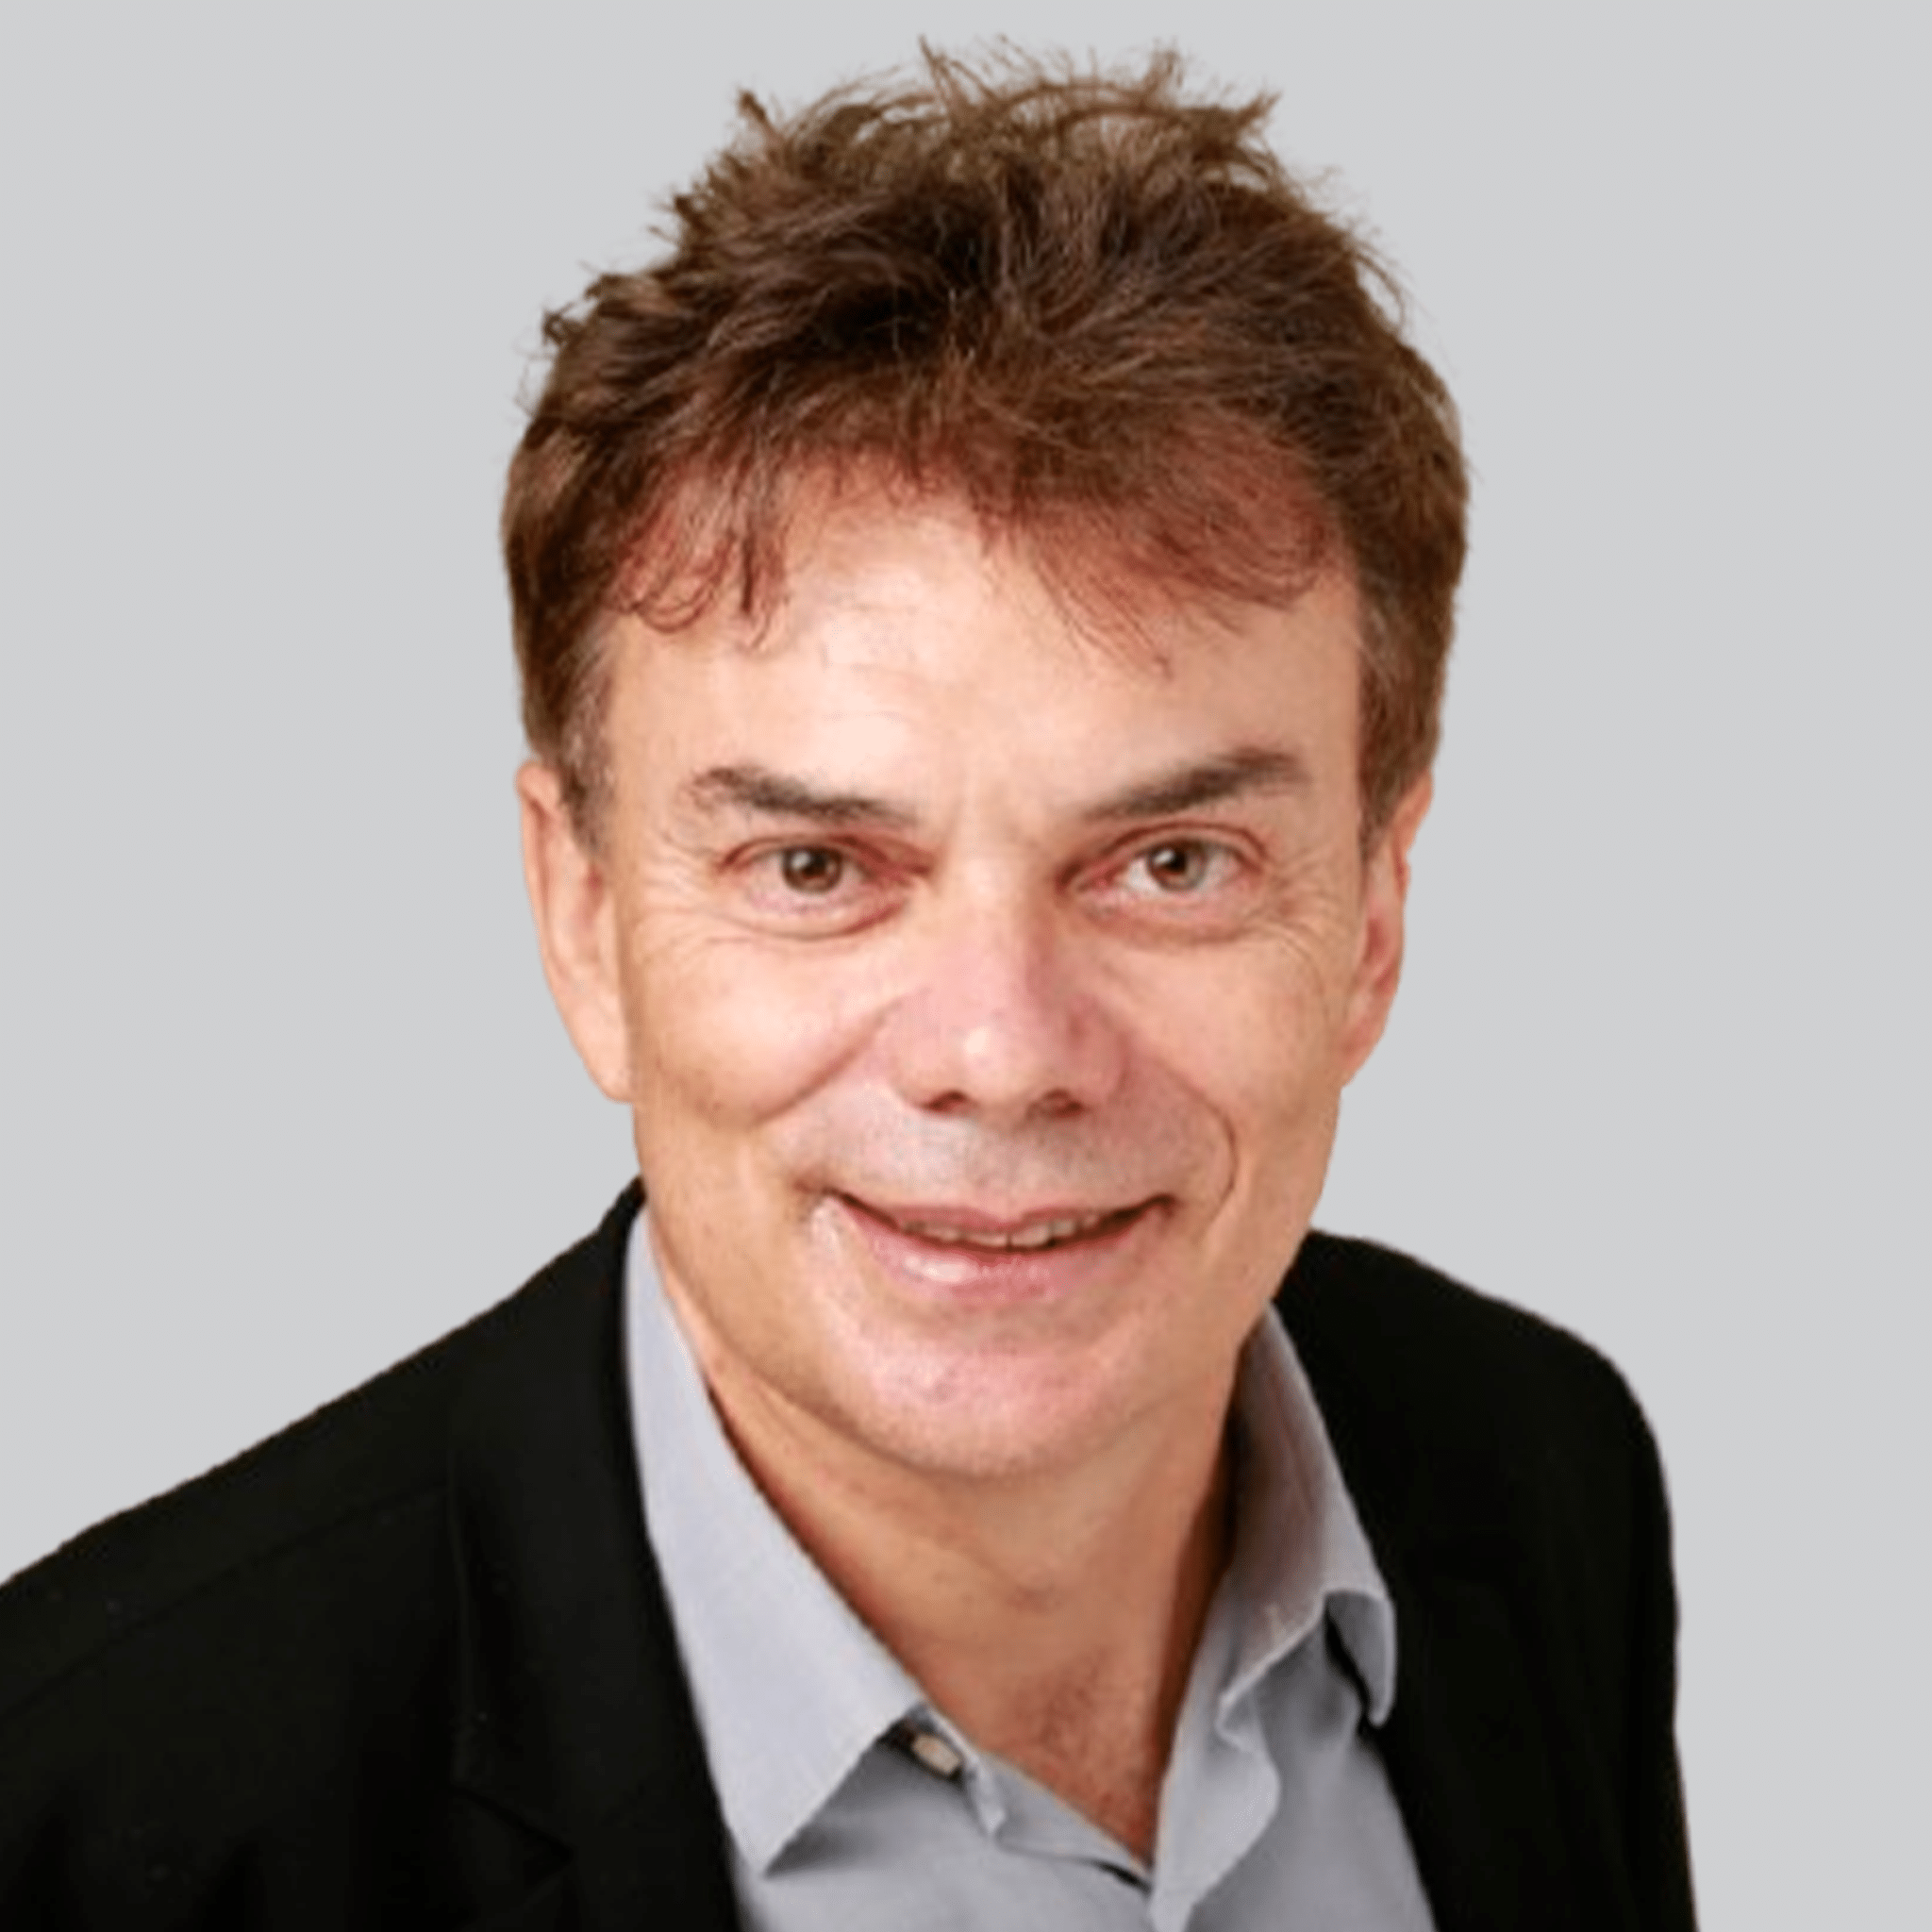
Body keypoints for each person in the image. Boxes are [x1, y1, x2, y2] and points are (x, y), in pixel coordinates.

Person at [0, 48, 1694, 1930]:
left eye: (1170, 864)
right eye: (816, 869)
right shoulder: (93, 1816)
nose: (1001, 1052)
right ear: (583, 921)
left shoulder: (1541, 1477)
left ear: (1371, 916)